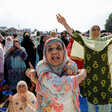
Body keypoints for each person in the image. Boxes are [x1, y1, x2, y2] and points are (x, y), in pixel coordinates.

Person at [56, 13, 112, 112]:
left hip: (104, 76)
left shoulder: (106, 41)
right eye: (93, 29)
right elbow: (74, 34)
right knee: (91, 102)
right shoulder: (86, 41)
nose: (95, 31)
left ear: (100, 31)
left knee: (105, 101)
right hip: (90, 77)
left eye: (97, 29)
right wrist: (65, 24)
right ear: (90, 31)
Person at [26, 37, 87, 112]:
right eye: (50, 49)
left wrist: (36, 81)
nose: (54, 52)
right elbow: (59, 90)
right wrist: (79, 78)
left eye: (58, 48)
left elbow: (62, 98)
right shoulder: (42, 65)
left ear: (64, 51)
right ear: (45, 53)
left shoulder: (71, 65)